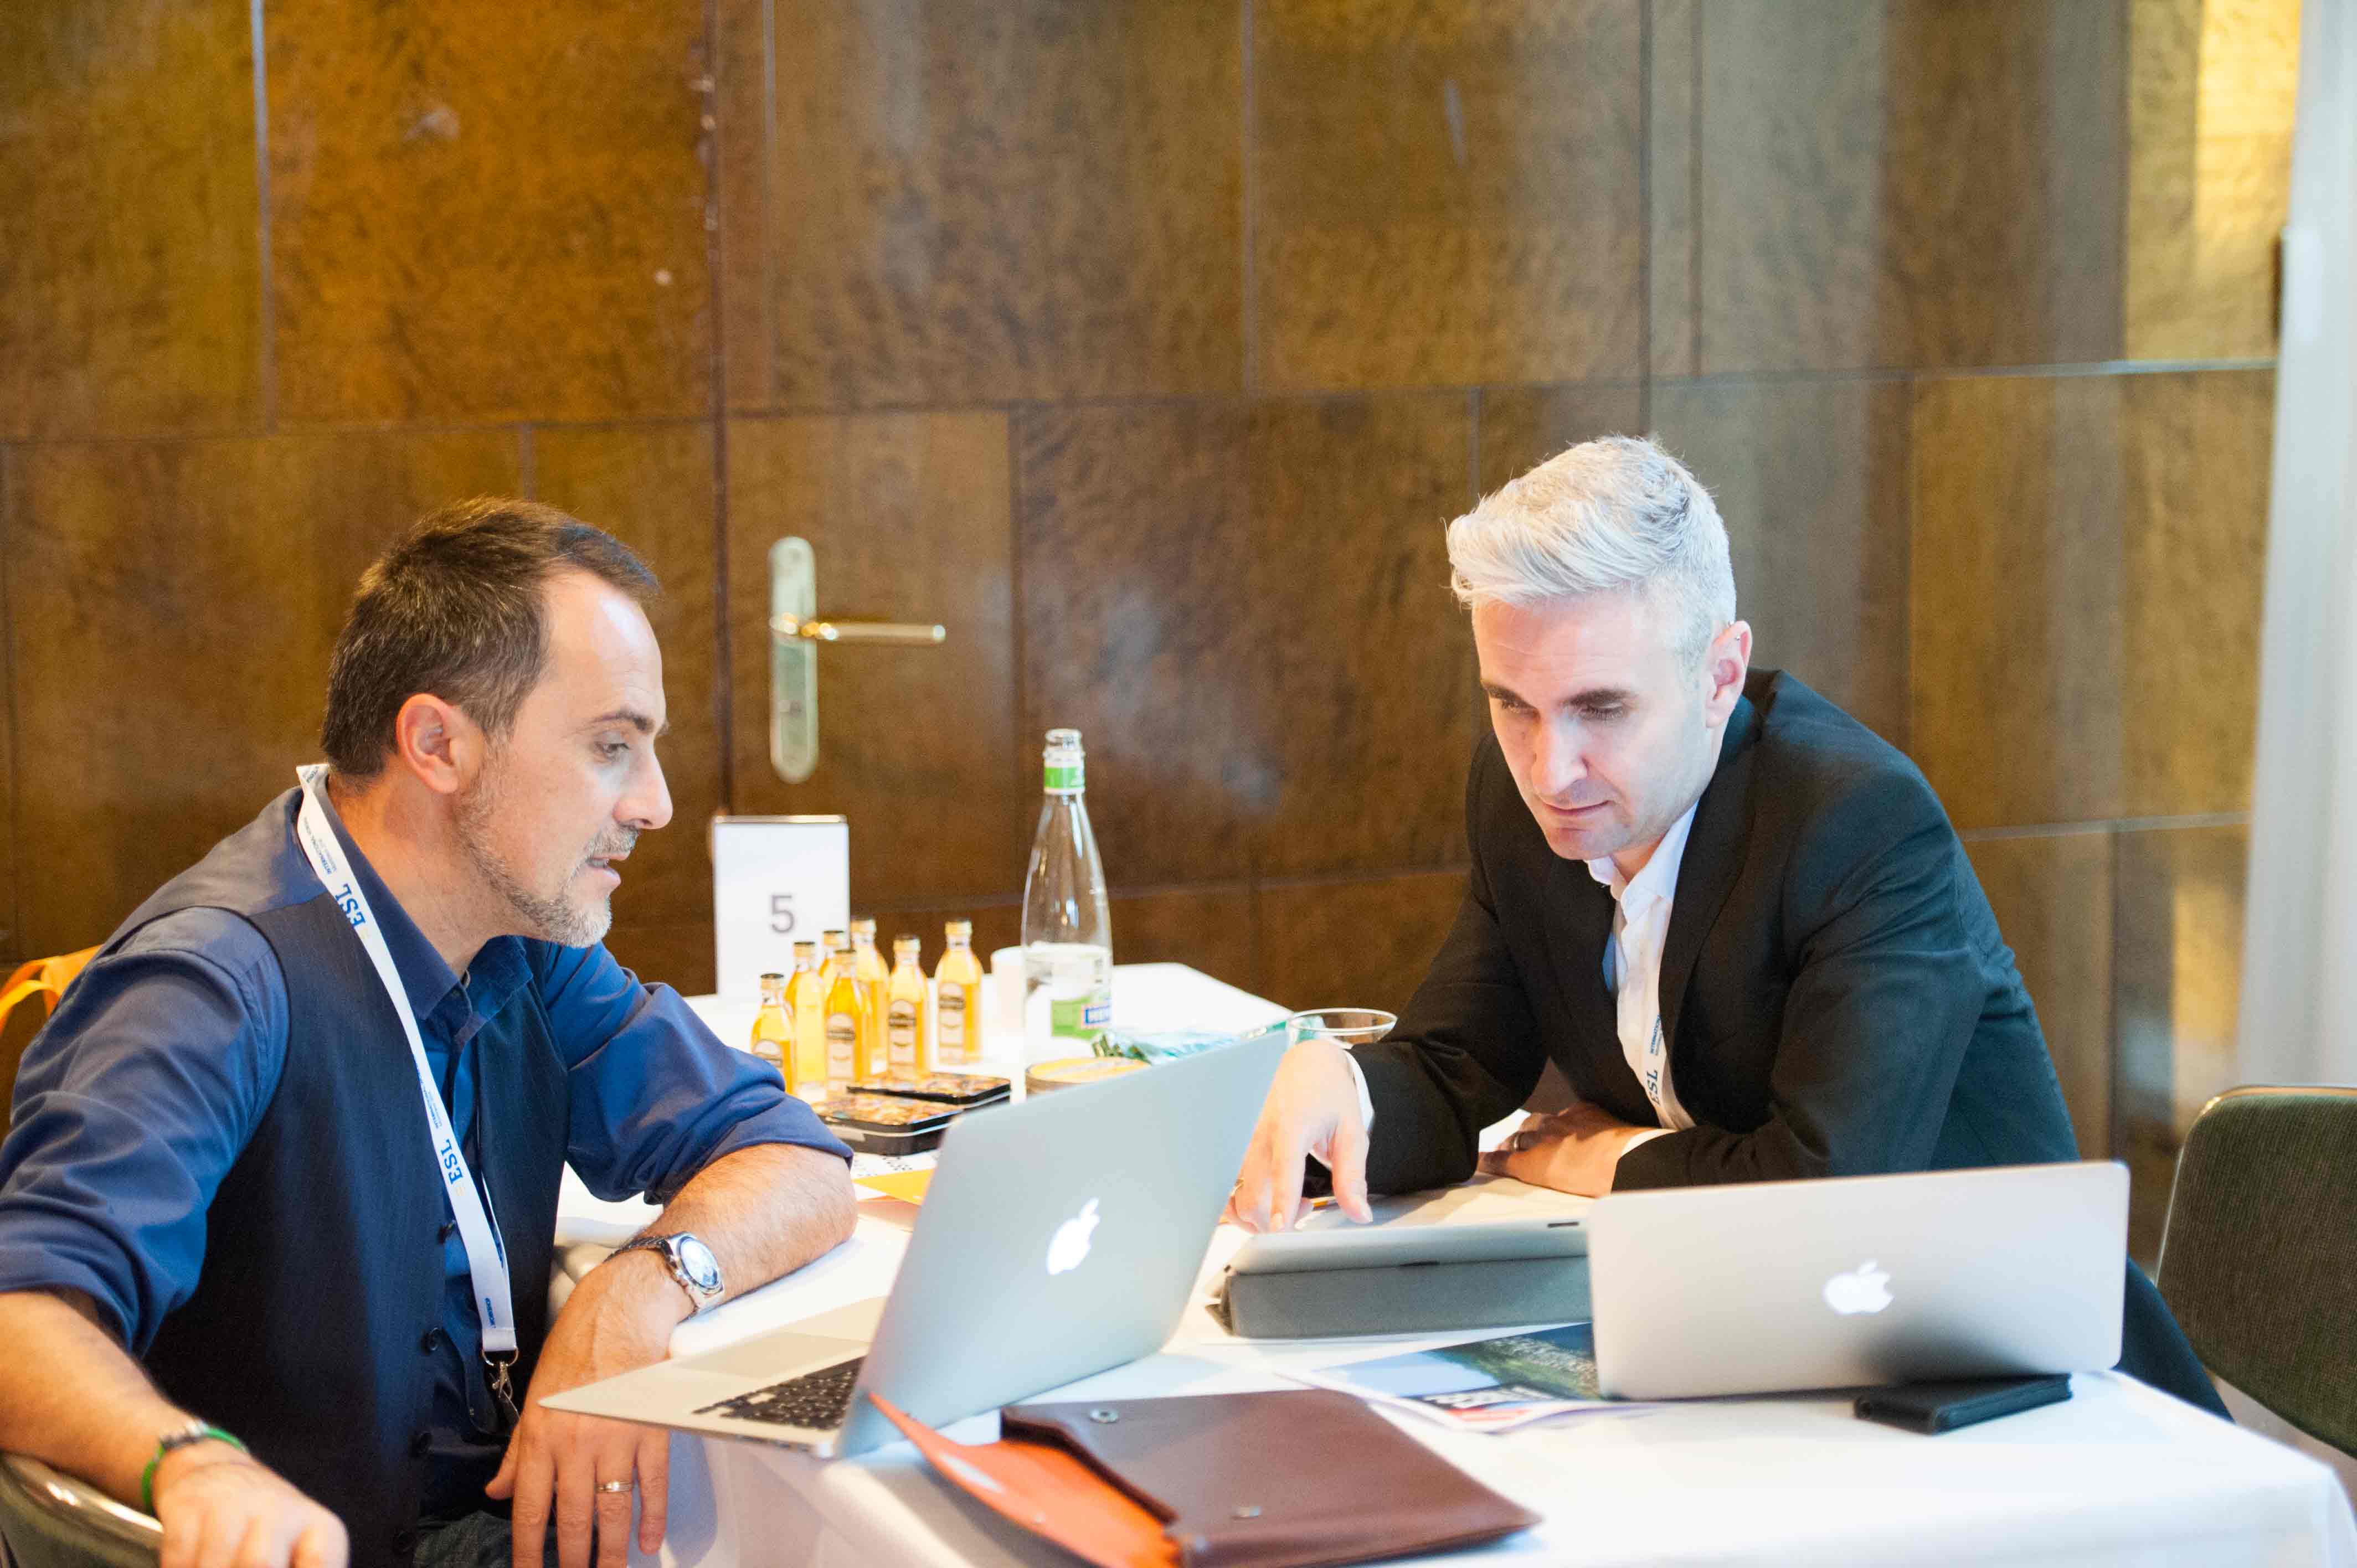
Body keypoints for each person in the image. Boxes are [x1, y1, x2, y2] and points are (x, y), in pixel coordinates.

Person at [1227, 436, 2226, 1415]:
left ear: (1718, 677)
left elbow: (1825, 1190)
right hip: (1762, 1347)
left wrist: (1608, 1159)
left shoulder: (1859, 824)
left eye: (1600, 709)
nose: (1549, 769)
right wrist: (1341, 1088)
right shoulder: (1520, 797)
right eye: (1512, 706)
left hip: (2018, 1381)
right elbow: (1457, 1067)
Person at [0, 501, 858, 1568]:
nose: (655, 804)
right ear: (438, 745)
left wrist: (641, 1285)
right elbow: (20, 1318)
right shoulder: (212, 984)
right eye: (611, 748)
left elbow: (797, 1159)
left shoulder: (522, 937)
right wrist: (195, 1467)